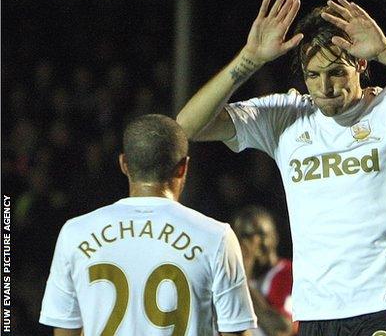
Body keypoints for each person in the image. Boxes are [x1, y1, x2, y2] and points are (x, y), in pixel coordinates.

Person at [177, 0, 386, 336]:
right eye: (313, 75)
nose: (325, 87)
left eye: (335, 72)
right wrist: (249, 58)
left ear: (360, 65)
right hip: (316, 311)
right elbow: (186, 127)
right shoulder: (286, 117)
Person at [39, 114, 257, 336]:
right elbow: (234, 332)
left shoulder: (75, 233)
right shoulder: (216, 236)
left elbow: (65, 331)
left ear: (124, 164)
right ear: (183, 167)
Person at [232, 205, 296, 336]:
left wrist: (242, 282)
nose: (255, 243)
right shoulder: (228, 278)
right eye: (246, 236)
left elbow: (281, 329)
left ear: (274, 237)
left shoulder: (288, 273)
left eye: (261, 234)